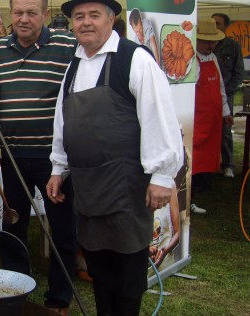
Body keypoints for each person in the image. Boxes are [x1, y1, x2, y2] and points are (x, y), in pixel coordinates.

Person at [48, 1, 183, 315]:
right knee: (100, 269)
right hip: (88, 187)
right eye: (79, 17)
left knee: (127, 273)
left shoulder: (133, 60)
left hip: (126, 188)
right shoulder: (74, 66)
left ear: (111, 19)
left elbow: (158, 117)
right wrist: (58, 167)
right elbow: (62, 121)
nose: (86, 23)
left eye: (94, 15)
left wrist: (162, 177)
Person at [0, 0, 77, 314]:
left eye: (32, 13)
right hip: (12, 155)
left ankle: (58, 300)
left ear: (45, 14)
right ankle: (17, 290)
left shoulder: (67, 45)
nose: (24, 19)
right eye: (18, 13)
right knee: (12, 224)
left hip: (53, 158)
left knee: (62, 226)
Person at [191, 18, 234, 215]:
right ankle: (189, 197)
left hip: (212, 119)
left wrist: (226, 112)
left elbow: (221, 88)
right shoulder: (191, 59)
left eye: (213, 41)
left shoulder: (214, 58)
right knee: (193, 159)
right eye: (207, 41)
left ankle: (201, 187)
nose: (212, 45)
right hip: (196, 120)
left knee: (207, 156)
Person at [212, 13, 245, 178]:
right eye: (213, 23)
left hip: (226, 95)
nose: (215, 26)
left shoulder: (232, 46)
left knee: (225, 130)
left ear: (225, 26)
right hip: (206, 96)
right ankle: (210, 164)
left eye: (218, 24)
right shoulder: (205, 45)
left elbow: (239, 74)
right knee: (207, 129)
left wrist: (226, 93)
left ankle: (228, 165)